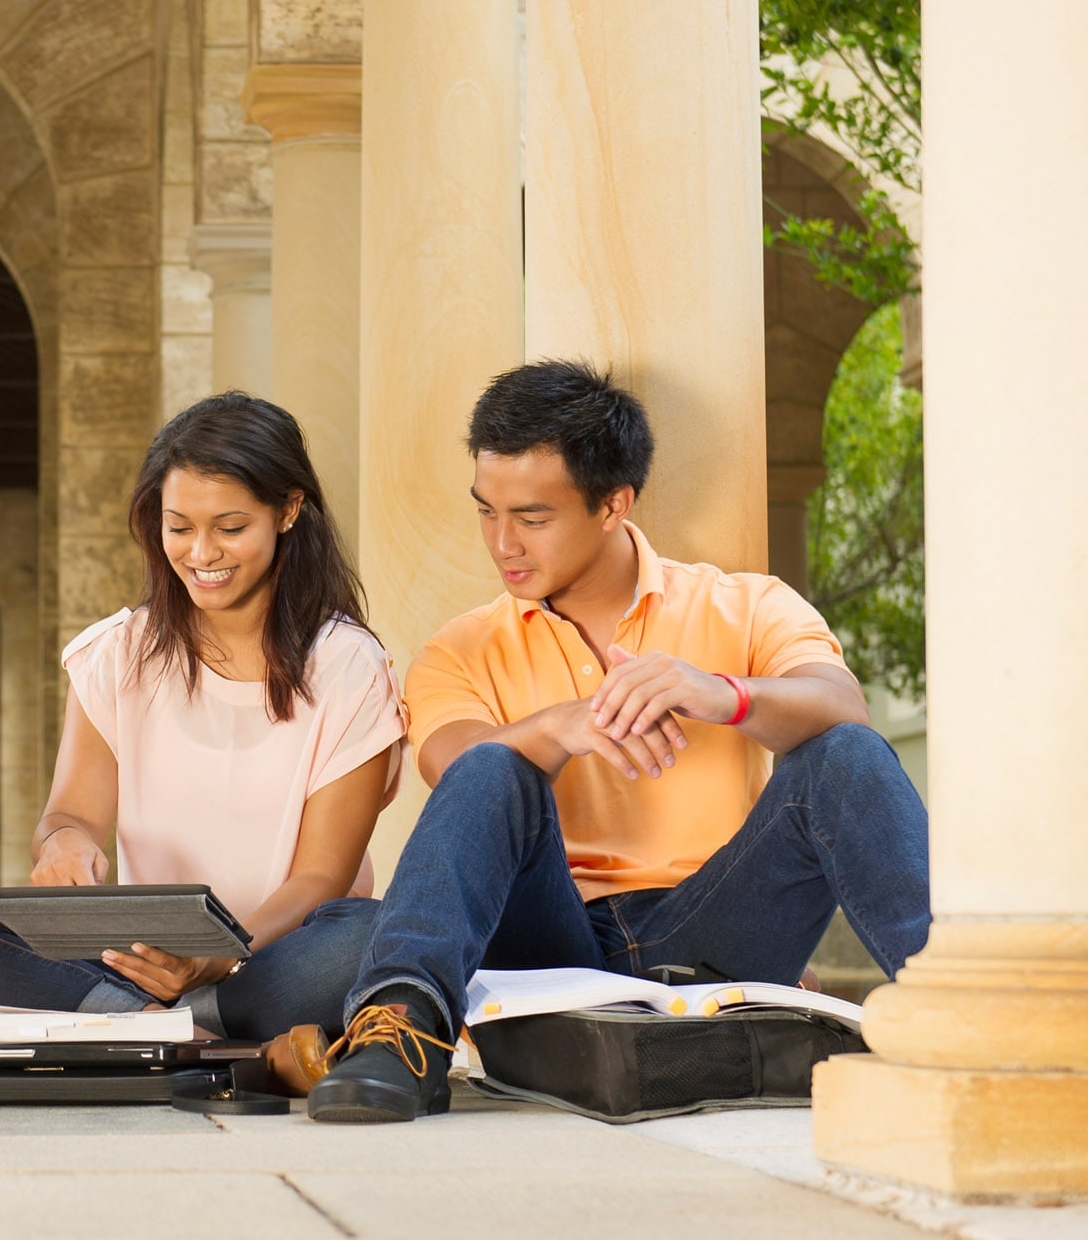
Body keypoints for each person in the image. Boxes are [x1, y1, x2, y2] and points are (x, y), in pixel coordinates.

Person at [307, 361, 931, 1123]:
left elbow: (843, 707)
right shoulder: (459, 648)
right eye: (486, 512)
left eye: (532, 518)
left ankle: (961, 1022)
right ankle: (400, 1034)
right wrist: (559, 726)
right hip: (549, 934)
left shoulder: (745, 604)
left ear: (613, 503)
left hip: (719, 929)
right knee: (494, 765)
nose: (503, 543)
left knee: (847, 752)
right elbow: (455, 771)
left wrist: (723, 694)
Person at [0, 393, 405, 1042]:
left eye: (230, 528)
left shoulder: (348, 666)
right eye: (179, 527)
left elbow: (322, 876)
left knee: (365, 936)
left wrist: (224, 953)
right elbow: (71, 815)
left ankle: (134, 1027)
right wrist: (64, 842)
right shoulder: (117, 654)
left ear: (288, 511)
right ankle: (159, 1027)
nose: (202, 553)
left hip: (270, 955)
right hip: (138, 963)